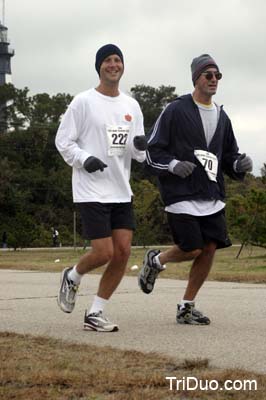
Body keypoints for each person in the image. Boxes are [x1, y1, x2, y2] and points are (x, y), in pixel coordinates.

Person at [138, 54, 253, 325]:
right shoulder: (176, 110)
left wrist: (240, 164)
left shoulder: (222, 117)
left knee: (210, 248)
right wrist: (174, 164)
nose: (214, 80)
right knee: (192, 248)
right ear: (196, 79)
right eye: (208, 75)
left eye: (217, 76)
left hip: (212, 195)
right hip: (181, 194)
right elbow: (152, 151)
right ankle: (156, 260)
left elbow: (228, 157)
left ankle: (186, 306)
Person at [55, 44, 147, 332]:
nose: (113, 64)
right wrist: (85, 159)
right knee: (104, 252)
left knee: (122, 253)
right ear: (99, 66)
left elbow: (138, 152)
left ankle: (95, 313)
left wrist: (143, 148)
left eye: (118, 60)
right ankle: (72, 275)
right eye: (107, 60)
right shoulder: (83, 102)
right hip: (91, 189)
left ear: (123, 66)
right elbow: (64, 141)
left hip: (120, 190)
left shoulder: (131, 105)